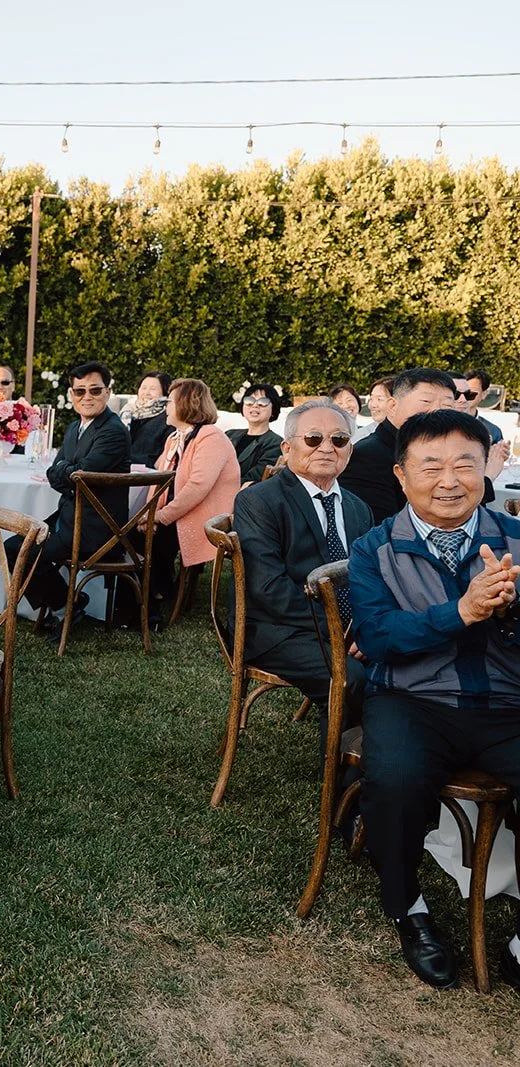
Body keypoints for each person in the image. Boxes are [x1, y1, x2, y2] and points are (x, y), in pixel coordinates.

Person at [350, 409, 520, 991]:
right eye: (431, 467)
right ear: (401, 475)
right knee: (394, 780)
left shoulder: (516, 541)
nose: (449, 481)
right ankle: (408, 906)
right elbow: (376, 638)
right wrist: (463, 612)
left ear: (485, 470)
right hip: (411, 699)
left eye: (464, 465)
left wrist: (510, 611)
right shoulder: (375, 547)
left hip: (507, 702)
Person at [232, 399, 372, 729]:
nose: (326, 448)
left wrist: (368, 630)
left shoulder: (357, 508)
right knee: (348, 680)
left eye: (338, 440)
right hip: (277, 630)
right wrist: (340, 632)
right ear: (287, 447)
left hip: (346, 630)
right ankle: (339, 776)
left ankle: (379, 763)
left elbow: (371, 578)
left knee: (407, 667)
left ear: (349, 450)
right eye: (313, 439)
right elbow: (268, 589)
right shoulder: (258, 500)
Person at [4, 362, 131, 623]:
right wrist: (66, 472)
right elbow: (56, 473)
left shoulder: (114, 432)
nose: (87, 397)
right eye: (80, 391)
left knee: (22, 551)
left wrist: (65, 471)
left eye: (95, 391)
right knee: (13, 546)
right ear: (71, 394)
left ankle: (64, 609)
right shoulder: (75, 428)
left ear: (108, 393)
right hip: (69, 519)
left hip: (97, 531)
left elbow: (77, 476)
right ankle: (67, 604)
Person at [339, 368, 503, 524]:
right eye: (426, 402)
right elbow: (380, 530)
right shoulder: (367, 457)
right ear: (393, 406)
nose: (436, 411)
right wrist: (486, 480)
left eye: (446, 406)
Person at [148, 379, 240, 618]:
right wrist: (148, 515)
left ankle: (152, 599)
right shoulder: (175, 438)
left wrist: (160, 517)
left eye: (170, 401)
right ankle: (151, 592)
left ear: (186, 404)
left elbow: (197, 487)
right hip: (182, 512)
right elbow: (162, 480)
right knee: (134, 532)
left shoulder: (211, 437)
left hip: (206, 518)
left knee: (151, 535)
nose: (166, 406)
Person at [226, 383, 285, 485]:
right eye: (249, 400)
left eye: (263, 402)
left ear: (273, 410)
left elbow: (254, 479)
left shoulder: (275, 443)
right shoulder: (229, 435)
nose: (255, 405)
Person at [122, 370, 173, 467]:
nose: (146, 393)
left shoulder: (168, 420)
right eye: (143, 388)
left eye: (153, 389)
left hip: (145, 475)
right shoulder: (127, 413)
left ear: (164, 392)